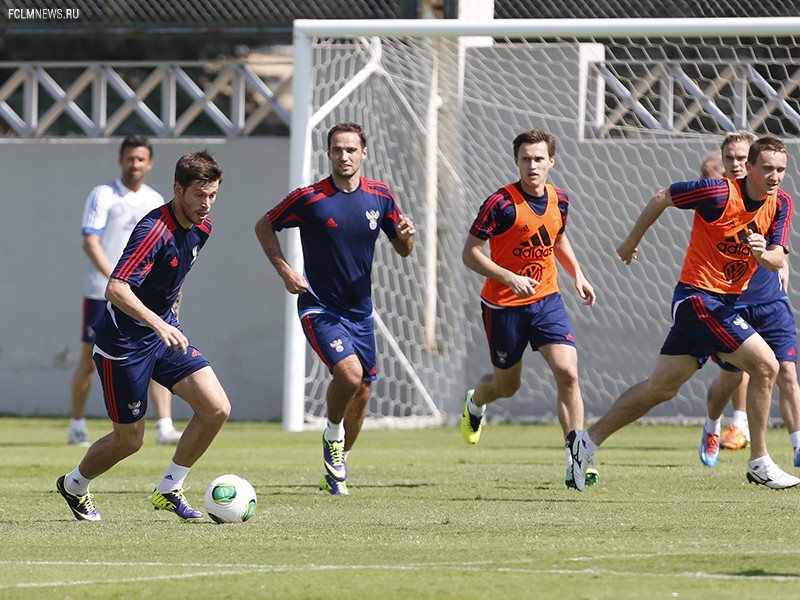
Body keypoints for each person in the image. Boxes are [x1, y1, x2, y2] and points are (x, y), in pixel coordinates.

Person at [568, 135, 799, 491]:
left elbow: (777, 258)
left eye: (781, 169)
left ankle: (586, 442)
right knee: (766, 365)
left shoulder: (781, 203)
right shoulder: (718, 193)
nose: (775, 175)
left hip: (724, 305)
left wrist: (761, 253)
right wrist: (632, 241)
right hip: (697, 300)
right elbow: (663, 196)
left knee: (659, 388)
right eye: (767, 168)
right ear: (749, 167)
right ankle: (760, 462)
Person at [57, 150, 230, 521]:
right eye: (199, 195)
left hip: (163, 333)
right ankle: (73, 485)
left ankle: (170, 488)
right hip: (123, 344)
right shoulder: (153, 230)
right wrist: (159, 323)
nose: (206, 204)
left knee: (216, 408)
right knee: (129, 440)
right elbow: (116, 289)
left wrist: (171, 318)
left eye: (213, 195)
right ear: (177, 189)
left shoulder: (203, 228)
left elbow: (174, 278)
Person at [254, 122, 415, 496]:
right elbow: (264, 225)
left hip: (361, 313)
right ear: (328, 154)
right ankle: (332, 432)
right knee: (349, 374)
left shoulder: (380, 196)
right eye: (337, 150)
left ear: (364, 153)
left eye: (351, 150)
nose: (344, 156)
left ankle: (336, 464)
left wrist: (407, 239)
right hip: (319, 307)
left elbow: (403, 248)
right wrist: (285, 270)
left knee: (363, 393)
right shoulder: (310, 198)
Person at [460, 128, 598, 489]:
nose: (532, 165)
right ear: (516, 161)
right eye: (526, 159)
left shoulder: (560, 200)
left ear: (551, 161)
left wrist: (577, 275)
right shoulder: (500, 203)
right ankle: (476, 403)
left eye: (539, 159)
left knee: (568, 372)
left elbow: (558, 238)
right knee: (507, 386)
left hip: (546, 300)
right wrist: (508, 277)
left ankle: (576, 457)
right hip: (504, 305)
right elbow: (470, 253)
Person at [69, 135, 182, 447]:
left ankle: (164, 426)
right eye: (130, 158)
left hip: (146, 300)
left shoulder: (156, 199)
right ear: (121, 160)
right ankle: (77, 425)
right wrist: (118, 282)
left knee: (159, 350)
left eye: (141, 159)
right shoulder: (103, 194)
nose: (135, 164)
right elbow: (90, 242)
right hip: (102, 293)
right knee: (89, 360)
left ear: (150, 163)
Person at [699, 132, 800, 467]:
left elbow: (778, 243)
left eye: (743, 159)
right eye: (731, 159)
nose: (737, 165)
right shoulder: (718, 198)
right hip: (729, 301)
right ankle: (714, 424)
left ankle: (796, 447)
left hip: (769, 300)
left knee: (786, 371)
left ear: (753, 162)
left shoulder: (776, 199)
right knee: (731, 379)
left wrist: (780, 261)